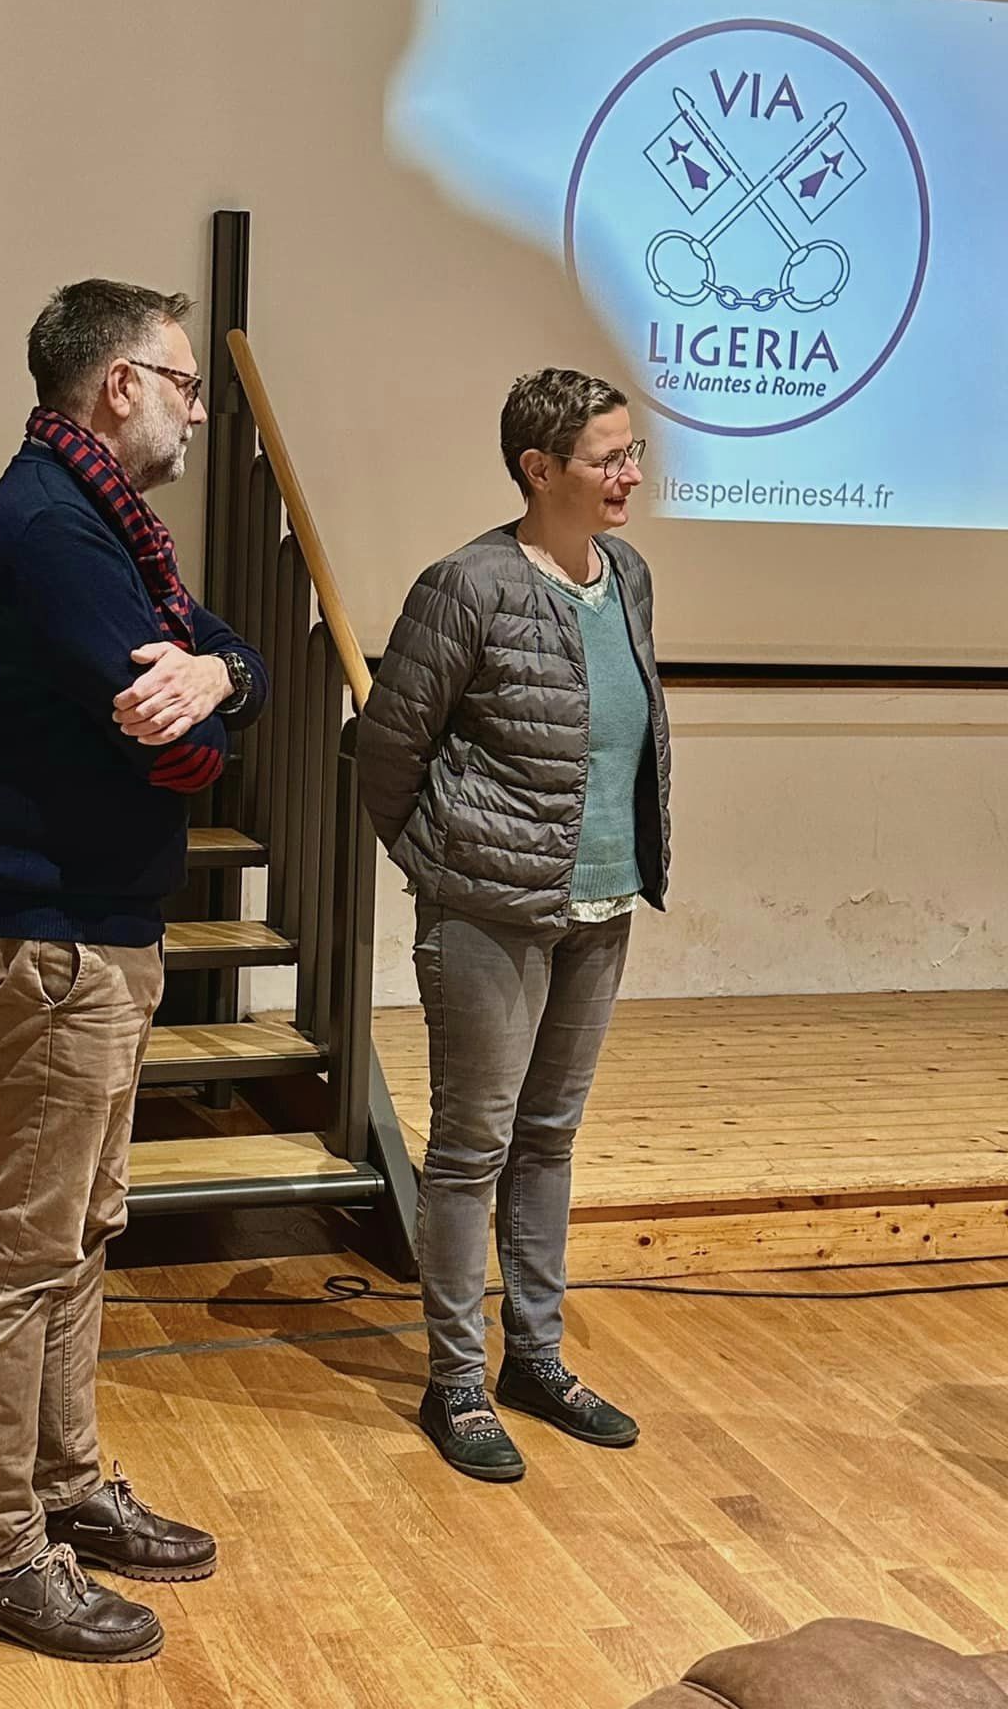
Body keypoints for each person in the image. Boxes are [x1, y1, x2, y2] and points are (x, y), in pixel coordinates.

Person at [0, 279, 267, 1662]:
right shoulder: (51, 530)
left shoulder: (105, 527)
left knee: (77, 1233)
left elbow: (226, 661)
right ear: (119, 386)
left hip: (90, 931)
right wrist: (213, 699)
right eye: (184, 383)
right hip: (48, 937)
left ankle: (63, 1488)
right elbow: (174, 738)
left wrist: (220, 675)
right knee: (22, 1257)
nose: (198, 410)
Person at [356, 367, 670, 1481]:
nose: (629, 475)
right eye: (607, 458)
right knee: (470, 1148)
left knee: (549, 1139)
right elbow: (387, 751)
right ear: (539, 469)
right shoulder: (467, 585)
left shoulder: (628, 576)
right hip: (488, 911)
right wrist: (444, 864)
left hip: (602, 903)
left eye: (632, 453)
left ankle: (535, 1358)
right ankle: (454, 1380)